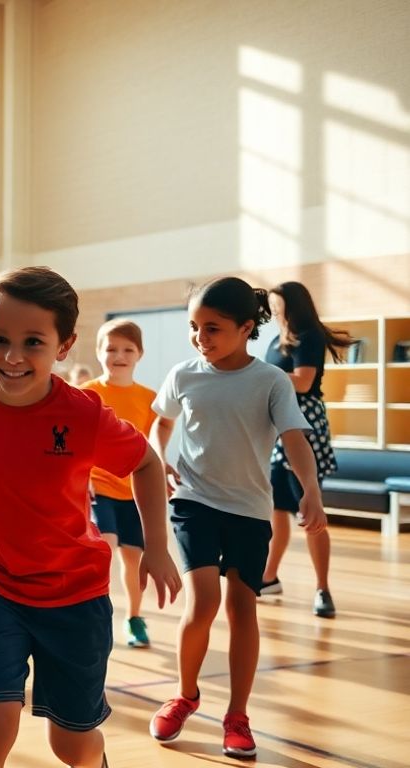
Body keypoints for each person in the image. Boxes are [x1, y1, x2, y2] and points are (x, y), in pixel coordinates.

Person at [0, 267, 181, 768]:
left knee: (70, 743)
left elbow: (146, 461)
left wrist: (157, 546)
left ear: (64, 345)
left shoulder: (83, 415)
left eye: (33, 342)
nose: (13, 356)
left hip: (74, 594)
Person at [147, 277, 326, 759]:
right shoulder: (184, 374)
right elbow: (160, 422)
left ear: (246, 327)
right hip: (193, 501)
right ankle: (185, 695)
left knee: (241, 608)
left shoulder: (269, 380)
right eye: (193, 327)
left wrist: (310, 488)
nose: (199, 338)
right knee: (202, 601)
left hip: (249, 510)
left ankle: (238, 715)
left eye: (212, 328)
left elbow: (294, 437)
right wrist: (158, 454)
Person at [259, 281, 351, 618]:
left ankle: (322, 588)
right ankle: (268, 577)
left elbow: (304, 381)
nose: (274, 311)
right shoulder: (275, 338)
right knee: (278, 510)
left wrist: (265, 377)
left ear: (292, 305)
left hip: (303, 424)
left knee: (311, 512)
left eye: (278, 304)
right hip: (277, 429)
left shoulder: (308, 335)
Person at [80, 320, 161, 647]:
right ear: (99, 352)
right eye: (111, 349)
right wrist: (83, 477)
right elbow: (78, 442)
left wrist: (163, 472)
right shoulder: (88, 394)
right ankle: (96, 616)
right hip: (100, 487)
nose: (119, 355)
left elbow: (153, 447)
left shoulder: (149, 398)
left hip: (135, 493)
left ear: (139, 354)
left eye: (128, 349)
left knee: (134, 559)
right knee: (105, 545)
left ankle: (134, 617)